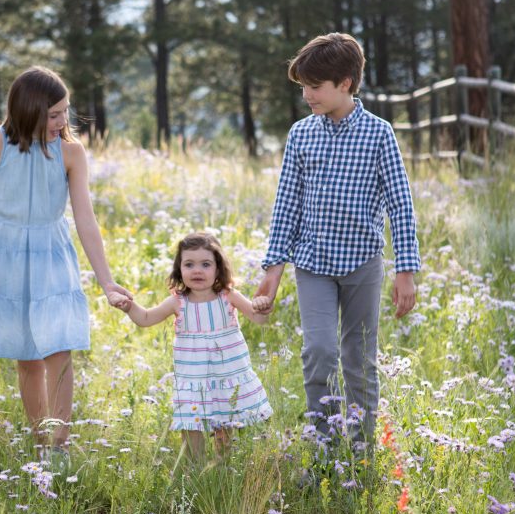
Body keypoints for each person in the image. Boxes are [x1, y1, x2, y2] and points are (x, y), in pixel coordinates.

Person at [253, 32, 421, 449]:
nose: (307, 94)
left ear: (345, 82)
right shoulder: (301, 135)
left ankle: (361, 451)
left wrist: (406, 272)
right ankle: (325, 449)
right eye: (304, 87)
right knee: (320, 353)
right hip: (313, 265)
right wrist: (273, 271)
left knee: (359, 359)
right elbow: (286, 205)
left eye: (315, 86)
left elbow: (400, 205)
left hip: (363, 265)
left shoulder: (379, 135)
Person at [0, 66, 131, 457]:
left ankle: (60, 445)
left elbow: (85, 217)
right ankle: (41, 443)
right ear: (29, 111)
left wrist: (107, 281)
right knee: (27, 356)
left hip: (51, 253)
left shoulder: (71, 152)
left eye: (65, 111)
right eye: (54, 114)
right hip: (6, 256)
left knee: (59, 349)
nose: (63, 121)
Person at [109, 232, 272, 462]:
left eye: (206, 264)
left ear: (218, 268)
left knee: (225, 424)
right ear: (179, 269)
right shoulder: (178, 301)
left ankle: (221, 468)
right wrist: (128, 307)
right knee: (191, 425)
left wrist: (263, 305)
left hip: (225, 376)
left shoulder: (228, 296)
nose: (197, 270)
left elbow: (258, 319)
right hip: (193, 379)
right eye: (189, 264)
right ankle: (195, 469)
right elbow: (145, 318)